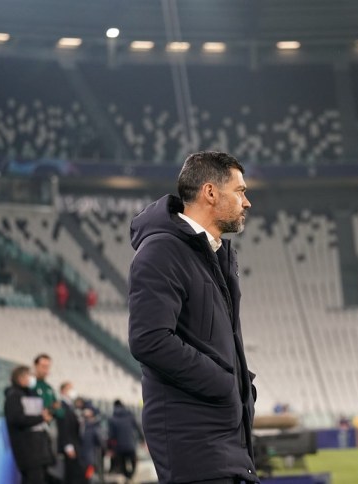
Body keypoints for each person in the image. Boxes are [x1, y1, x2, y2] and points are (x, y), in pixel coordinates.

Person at [128, 151, 258, 483]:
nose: (247, 202)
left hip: (224, 444)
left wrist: (242, 386)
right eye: (240, 191)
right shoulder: (162, 250)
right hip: (197, 449)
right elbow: (149, 340)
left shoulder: (211, 254)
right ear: (210, 192)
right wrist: (225, 384)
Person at [4, 365, 55, 484]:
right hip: (27, 449)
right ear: (20, 378)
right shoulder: (14, 396)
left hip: (37, 449)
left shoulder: (28, 394)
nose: (32, 379)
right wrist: (41, 417)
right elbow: (17, 419)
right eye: (29, 375)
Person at [108, 400, 145, 483]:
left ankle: (127, 477)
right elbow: (138, 428)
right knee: (134, 463)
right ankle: (130, 476)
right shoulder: (130, 416)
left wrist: (110, 448)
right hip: (131, 445)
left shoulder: (112, 419)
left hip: (119, 447)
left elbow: (111, 435)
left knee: (122, 465)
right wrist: (142, 439)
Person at [57, 382, 86, 484]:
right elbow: (63, 427)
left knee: (75, 473)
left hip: (75, 442)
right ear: (63, 391)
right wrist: (68, 445)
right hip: (70, 444)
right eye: (69, 388)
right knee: (71, 473)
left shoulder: (71, 406)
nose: (72, 391)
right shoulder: (61, 406)